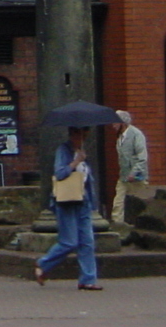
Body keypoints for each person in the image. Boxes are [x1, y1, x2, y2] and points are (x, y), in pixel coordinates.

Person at [34, 125, 101, 290]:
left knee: (87, 242)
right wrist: (75, 162)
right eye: (81, 135)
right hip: (67, 202)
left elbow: (86, 179)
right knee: (69, 242)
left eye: (85, 136)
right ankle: (43, 264)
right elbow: (59, 173)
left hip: (83, 201)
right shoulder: (63, 150)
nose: (83, 139)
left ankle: (88, 279)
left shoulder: (82, 152)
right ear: (73, 134)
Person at [111, 110, 149, 224]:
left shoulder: (136, 135)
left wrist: (135, 173)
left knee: (140, 203)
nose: (112, 125)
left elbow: (142, 157)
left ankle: (143, 225)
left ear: (122, 123)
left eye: (115, 123)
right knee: (118, 204)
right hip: (124, 177)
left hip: (137, 178)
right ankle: (118, 227)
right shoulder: (120, 137)